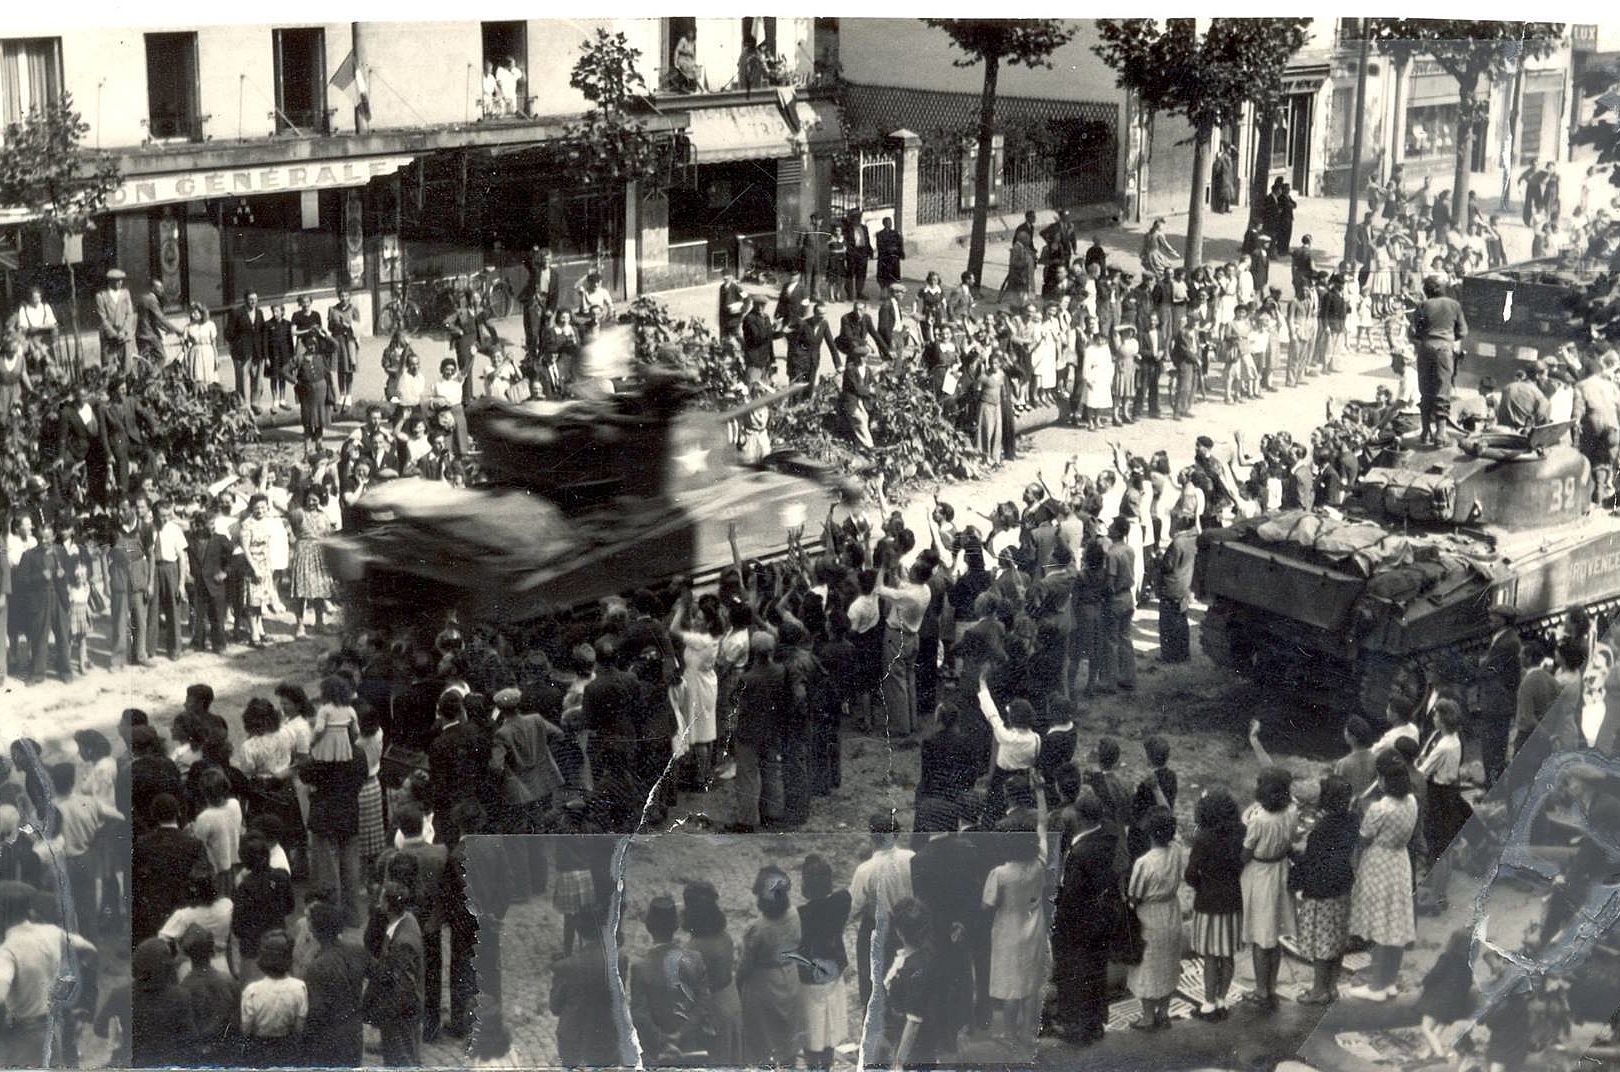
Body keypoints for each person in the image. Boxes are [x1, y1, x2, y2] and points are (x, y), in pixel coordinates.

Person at [1344, 754, 1420, 1001]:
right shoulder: (1411, 801)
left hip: (1379, 863)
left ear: (1385, 781)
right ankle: (1388, 981)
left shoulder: (1379, 808)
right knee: (1395, 924)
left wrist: (1359, 812)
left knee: (1380, 926)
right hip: (1400, 862)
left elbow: (1364, 837)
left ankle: (1376, 986)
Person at [1291, 774, 1359, 1005]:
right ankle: (1332, 987)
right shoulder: (1352, 820)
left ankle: (1318, 989)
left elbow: (1312, 859)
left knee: (1322, 942)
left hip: (1321, 890)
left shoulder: (1322, 828)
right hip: (1342, 885)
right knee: (1338, 939)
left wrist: (1293, 854)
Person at [982, 823, 1048, 1044]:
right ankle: (1027, 1031)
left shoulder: (1000, 873)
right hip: (1034, 924)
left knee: (1011, 984)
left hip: (1008, 928)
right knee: (1031, 982)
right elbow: (1042, 830)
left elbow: (987, 904)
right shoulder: (1039, 865)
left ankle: (1009, 1033)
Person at [1240, 764, 1298, 1011]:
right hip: (1280, 869)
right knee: (1273, 935)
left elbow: (1246, 853)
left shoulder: (1259, 820)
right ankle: (1271, 985)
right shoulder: (1292, 811)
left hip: (1261, 873)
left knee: (1260, 937)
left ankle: (1261, 990)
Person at [1126, 806, 1185, 1032]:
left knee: (1148, 964)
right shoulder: (1177, 851)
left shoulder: (1145, 862)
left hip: (1150, 916)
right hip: (1171, 909)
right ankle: (1164, 1012)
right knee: (1169, 961)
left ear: (1149, 833)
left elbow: (1135, 895)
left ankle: (1148, 1016)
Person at [737, 865, 802, 1066]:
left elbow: (745, 965)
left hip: (764, 985)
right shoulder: (794, 914)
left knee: (764, 1043)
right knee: (787, 1037)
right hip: (790, 976)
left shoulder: (757, 928)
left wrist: (738, 984)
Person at [681, 880, 745, 1067]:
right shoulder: (725, 937)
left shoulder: (694, 948)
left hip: (713, 1010)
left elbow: (691, 991)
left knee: (716, 1058)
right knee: (732, 1055)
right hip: (730, 999)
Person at [796, 854, 850, 1070]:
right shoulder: (842, 901)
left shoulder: (800, 915)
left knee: (812, 1032)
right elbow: (842, 894)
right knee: (829, 1031)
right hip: (833, 974)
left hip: (809, 979)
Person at [300, 899, 367, 1066]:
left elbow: (315, 1012)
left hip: (327, 1039)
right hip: (354, 1032)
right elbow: (382, 977)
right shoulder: (357, 951)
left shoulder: (317, 966)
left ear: (315, 930)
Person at [363, 880, 424, 1065]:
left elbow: (403, 988)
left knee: (400, 1059)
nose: (378, 902)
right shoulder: (408, 921)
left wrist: (386, 1015)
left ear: (388, 905)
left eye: (381, 899)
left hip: (398, 1016)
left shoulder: (402, 942)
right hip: (401, 1013)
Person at [1412, 275, 1468, 446]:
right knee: (1443, 389)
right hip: (1444, 350)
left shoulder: (1422, 306)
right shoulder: (1454, 305)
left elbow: (1416, 331)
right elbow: (1463, 332)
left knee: (1426, 389)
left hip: (1426, 348)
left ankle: (1425, 432)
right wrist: (1449, 337)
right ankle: (1440, 434)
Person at [239, 930, 306, 1067]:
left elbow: (246, 1029)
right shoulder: (299, 988)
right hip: (287, 1049)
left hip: (258, 1050)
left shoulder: (252, 991)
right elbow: (299, 1028)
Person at [225, 291, 267, 407]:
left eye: (255, 299)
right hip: (242, 352)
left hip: (256, 351)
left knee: (257, 378)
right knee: (242, 380)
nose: (253, 301)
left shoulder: (259, 313)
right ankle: (242, 404)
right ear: (245, 300)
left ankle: (255, 403)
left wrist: (263, 351)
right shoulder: (237, 313)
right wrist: (237, 344)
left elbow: (262, 332)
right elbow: (228, 333)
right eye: (250, 299)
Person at [96, 267, 137, 369]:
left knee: (127, 367)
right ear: (110, 282)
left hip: (124, 337)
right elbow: (102, 318)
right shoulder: (101, 296)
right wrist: (114, 334)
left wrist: (123, 332)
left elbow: (129, 314)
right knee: (109, 368)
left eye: (121, 280)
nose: (120, 283)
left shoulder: (125, 294)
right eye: (116, 281)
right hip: (109, 338)